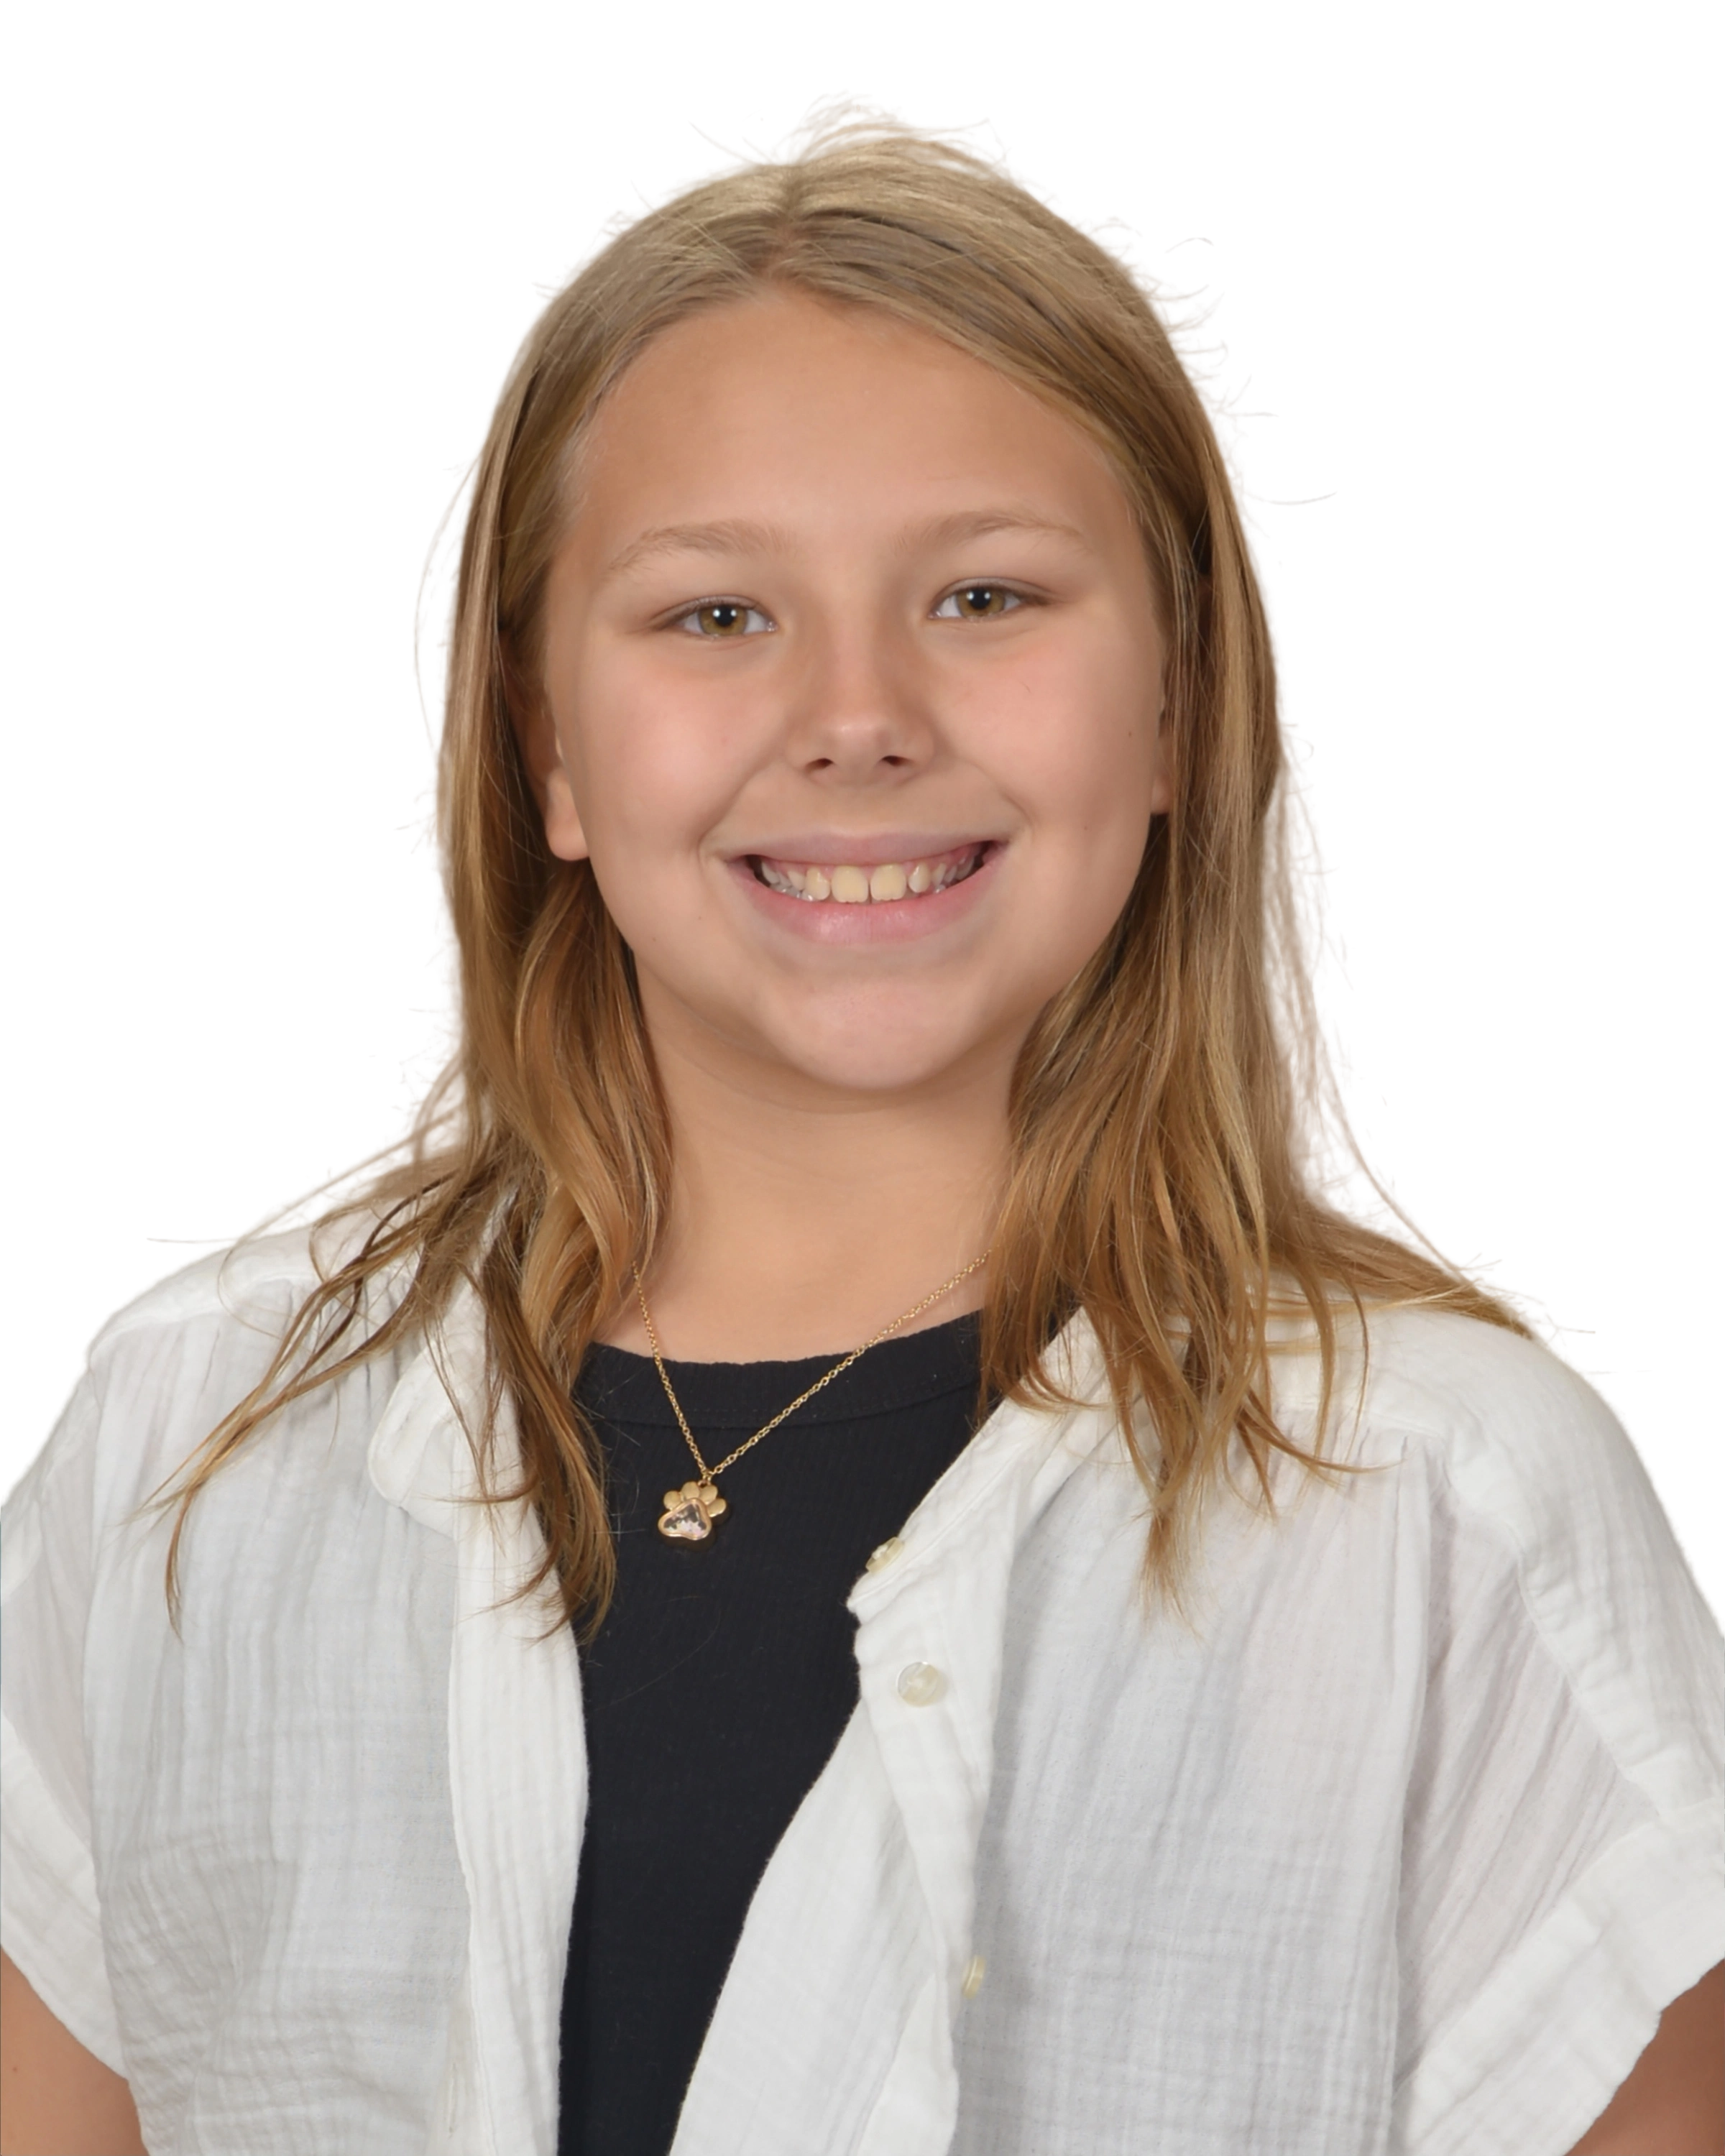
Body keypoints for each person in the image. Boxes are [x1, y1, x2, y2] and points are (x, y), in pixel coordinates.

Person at [1, 90, 1719, 2156]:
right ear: (548, 749)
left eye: (985, 596)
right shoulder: (184, 1440)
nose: (857, 719)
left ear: (1177, 704)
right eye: (715, 614)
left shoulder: (1442, 1498)